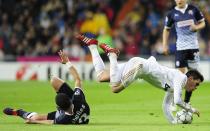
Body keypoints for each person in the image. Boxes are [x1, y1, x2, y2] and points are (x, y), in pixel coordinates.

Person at [75, 34, 204, 124]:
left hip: (139, 66)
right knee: (114, 89)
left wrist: (174, 122)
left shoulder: (177, 86)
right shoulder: (181, 78)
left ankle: (92, 46)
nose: (195, 88)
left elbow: (166, 105)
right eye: (196, 84)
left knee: (101, 76)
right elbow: (177, 101)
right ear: (191, 78)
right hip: (140, 67)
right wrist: (191, 109)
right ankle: (112, 55)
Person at [3, 50, 90, 124]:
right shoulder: (78, 99)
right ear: (70, 99)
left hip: (69, 112)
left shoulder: (63, 118)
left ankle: (20, 112)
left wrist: (34, 121)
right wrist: (67, 62)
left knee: (35, 118)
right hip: (76, 109)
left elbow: (50, 122)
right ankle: (26, 115)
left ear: (59, 109)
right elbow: (78, 79)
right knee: (54, 80)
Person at [162, 0, 205, 103]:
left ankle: (186, 102)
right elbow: (166, 29)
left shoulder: (193, 9)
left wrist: (196, 27)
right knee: (179, 77)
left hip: (193, 47)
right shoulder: (171, 14)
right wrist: (164, 45)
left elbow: (202, 23)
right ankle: (174, 100)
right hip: (180, 48)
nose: (179, 0)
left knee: (192, 77)